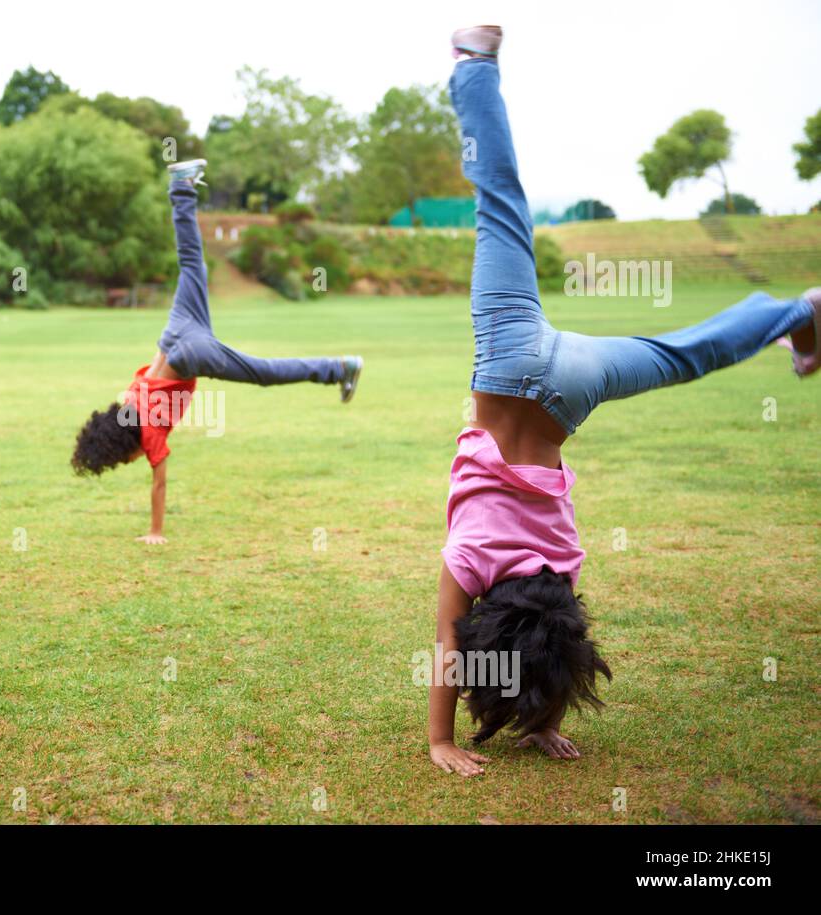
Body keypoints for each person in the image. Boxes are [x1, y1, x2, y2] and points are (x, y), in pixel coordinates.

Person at [428, 25, 820, 776]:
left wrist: (535, 716)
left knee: (686, 355)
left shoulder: (564, 568)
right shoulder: (471, 559)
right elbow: (451, 640)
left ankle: (801, 309)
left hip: (574, 386)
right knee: (501, 203)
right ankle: (474, 64)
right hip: (508, 358)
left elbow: (552, 633)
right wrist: (439, 738)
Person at [71, 159, 364, 544]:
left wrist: (155, 532)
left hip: (188, 353)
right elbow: (148, 381)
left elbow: (159, 485)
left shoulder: (148, 436)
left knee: (265, 372)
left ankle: (339, 367)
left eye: (118, 461)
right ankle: (182, 186)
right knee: (191, 264)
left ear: (122, 449)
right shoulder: (128, 400)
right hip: (174, 332)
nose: (127, 463)